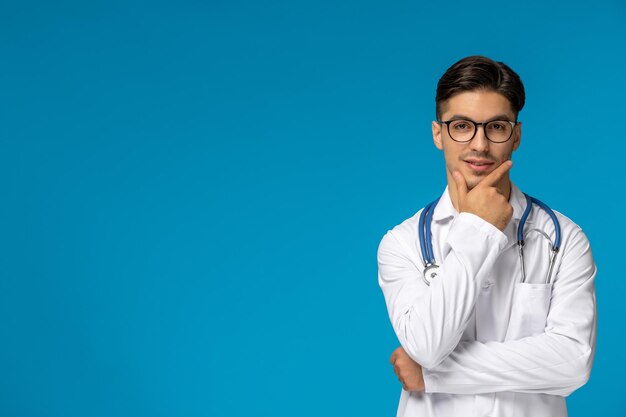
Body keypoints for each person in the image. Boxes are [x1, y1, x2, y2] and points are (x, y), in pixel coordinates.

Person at [377, 55, 596, 417]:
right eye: (462, 126)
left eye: (496, 127)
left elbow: (573, 362)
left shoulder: (563, 239)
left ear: (517, 135)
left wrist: (432, 376)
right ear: (438, 134)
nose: (479, 145)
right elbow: (429, 347)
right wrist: (480, 229)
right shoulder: (402, 244)